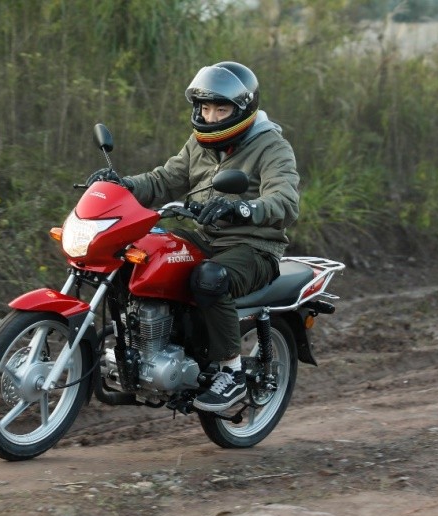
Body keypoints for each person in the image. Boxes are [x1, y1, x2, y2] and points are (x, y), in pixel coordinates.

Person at [86, 61, 300, 412]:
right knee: (141, 253)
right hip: (207, 237)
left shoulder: (272, 147)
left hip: (254, 247)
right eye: (204, 107)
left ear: (242, 110)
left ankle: (230, 372)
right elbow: (163, 180)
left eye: (221, 108)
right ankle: (138, 348)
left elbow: (285, 200)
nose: (211, 116)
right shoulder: (199, 144)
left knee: (210, 277)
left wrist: (243, 208)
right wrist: (122, 186)